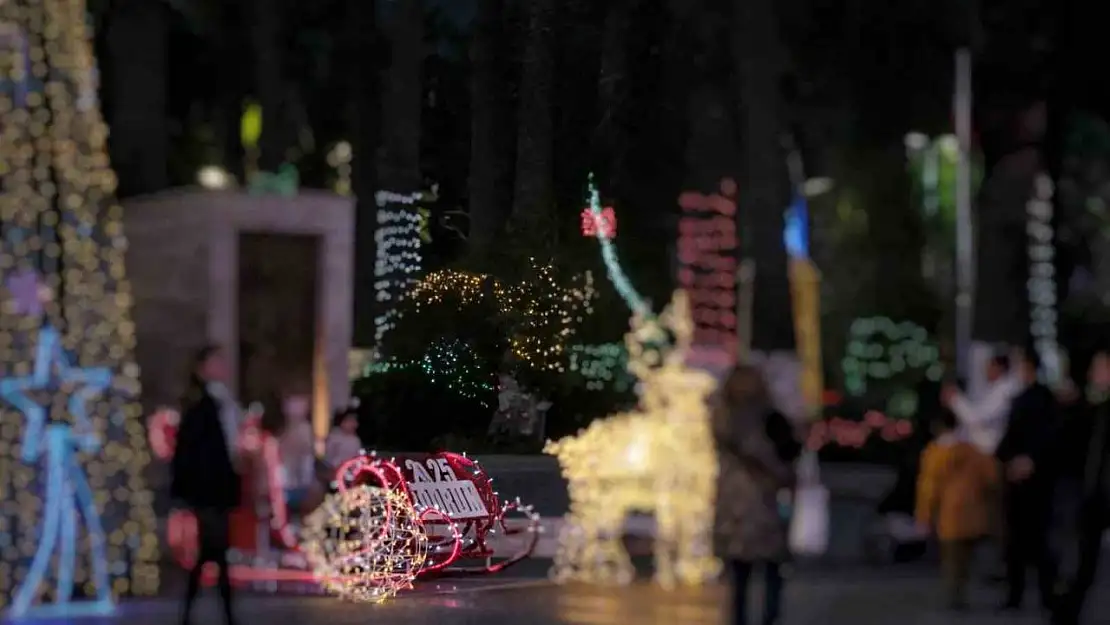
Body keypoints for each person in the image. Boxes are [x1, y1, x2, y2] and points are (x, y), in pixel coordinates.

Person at [712, 364, 796, 625]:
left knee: (741, 574)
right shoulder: (768, 419)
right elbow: (788, 454)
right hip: (762, 502)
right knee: (770, 569)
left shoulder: (723, 419)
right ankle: (768, 618)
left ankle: (744, 619)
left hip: (736, 506)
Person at [170, 345, 239, 625]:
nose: (222, 366)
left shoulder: (218, 400)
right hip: (208, 490)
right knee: (216, 552)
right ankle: (224, 615)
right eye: (216, 362)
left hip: (215, 490)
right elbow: (191, 452)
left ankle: (194, 614)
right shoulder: (200, 403)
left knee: (213, 553)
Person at [1048, 348, 1110, 625]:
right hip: (1088, 497)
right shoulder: (1089, 409)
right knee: (1077, 561)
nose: (1092, 375)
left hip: (1095, 497)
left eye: (1099, 368)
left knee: (1077, 560)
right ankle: (1065, 610)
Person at [915, 408, 999, 610]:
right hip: (973, 513)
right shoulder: (973, 451)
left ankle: (955, 596)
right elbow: (992, 478)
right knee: (966, 558)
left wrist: (924, 516)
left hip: (948, 515)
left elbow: (929, 489)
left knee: (951, 559)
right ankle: (961, 591)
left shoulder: (934, 454)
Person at [995, 349, 1057, 612]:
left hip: (1034, 479)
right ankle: (1027, 594)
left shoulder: (1041, 400)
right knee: (1024, 539)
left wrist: (1026, 460)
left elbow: (1048, 438)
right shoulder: (1034, 399)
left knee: (1031, 539)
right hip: (1027, 477)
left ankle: (1031, 594)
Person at [325, 400, 363, 468]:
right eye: (350, 421)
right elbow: (328, 456)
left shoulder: (355, 440)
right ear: (342, 423)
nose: (353, 424)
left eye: (355, 421)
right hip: (335, 469)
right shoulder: (334, 437)